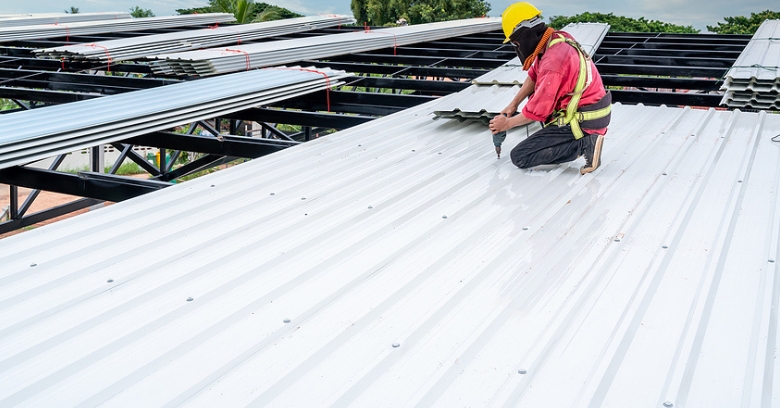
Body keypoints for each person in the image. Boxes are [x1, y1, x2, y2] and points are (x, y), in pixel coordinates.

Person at [488, 2, 612, 175]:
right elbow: (534, 75)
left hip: (585, 122)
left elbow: (537, 112)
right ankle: (577, 141)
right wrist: (513, 104)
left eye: (515, 42)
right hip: (591, 112)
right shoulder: (556, 39)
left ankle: (585, 144)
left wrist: (507, 124)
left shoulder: (553, 61)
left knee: (520, 156)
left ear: (524, 35)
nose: (516, 46)